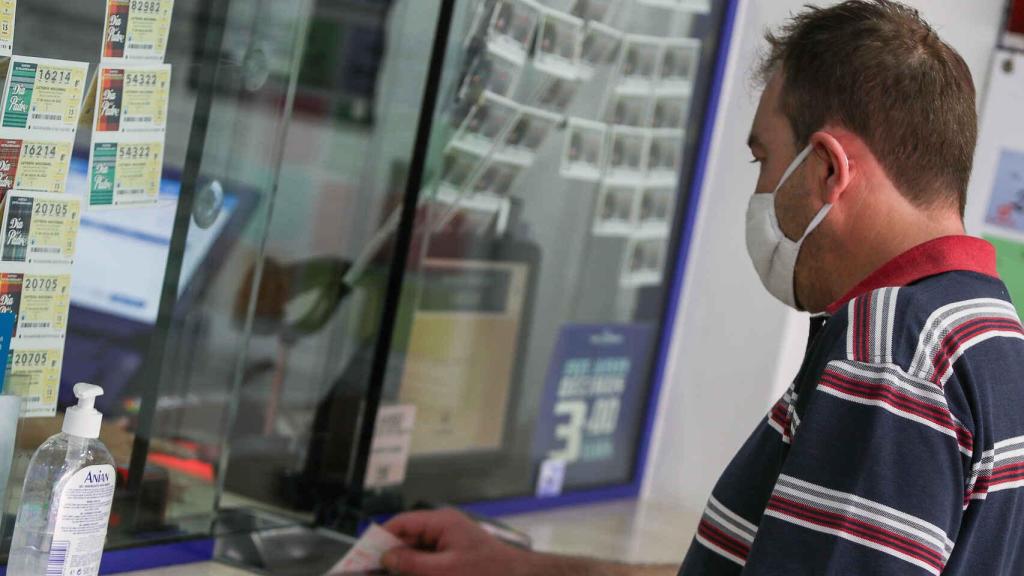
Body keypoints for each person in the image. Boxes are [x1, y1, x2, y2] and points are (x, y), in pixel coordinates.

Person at [380, 1, 1024, 574]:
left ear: (828, 169)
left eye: (763, 159)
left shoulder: (888, 354)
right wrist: (519, 568)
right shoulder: (988, 336)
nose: (761, 190)